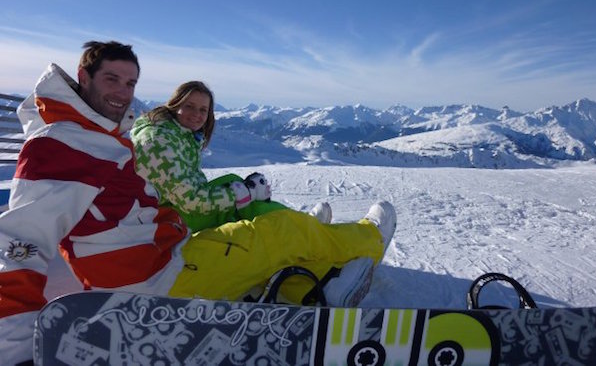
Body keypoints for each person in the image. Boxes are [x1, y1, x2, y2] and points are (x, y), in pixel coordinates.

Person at [0, 41, 396, 365]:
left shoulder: (93, 135)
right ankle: (369, 240)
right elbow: (17, 244)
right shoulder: (62, 146)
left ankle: (310, 289)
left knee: (255, 235)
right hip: (153, 285)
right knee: (280, 230)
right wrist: (18, 353)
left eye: (131, 83)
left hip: (162, 259)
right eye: (112, 79)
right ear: (84, 78)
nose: (123, 92)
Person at [130, 81, 327, 233]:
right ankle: (302, 227)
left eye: (203, 110)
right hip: (159, 220)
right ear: (175, 105)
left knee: (233, 182)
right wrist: (244, 194)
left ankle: (298, 221)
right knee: (237, 205)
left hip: (168, 208)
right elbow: (191, 202)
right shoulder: (160, 141)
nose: (196, 114)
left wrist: (241, 191)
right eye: (189, 106)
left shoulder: (178, 133)